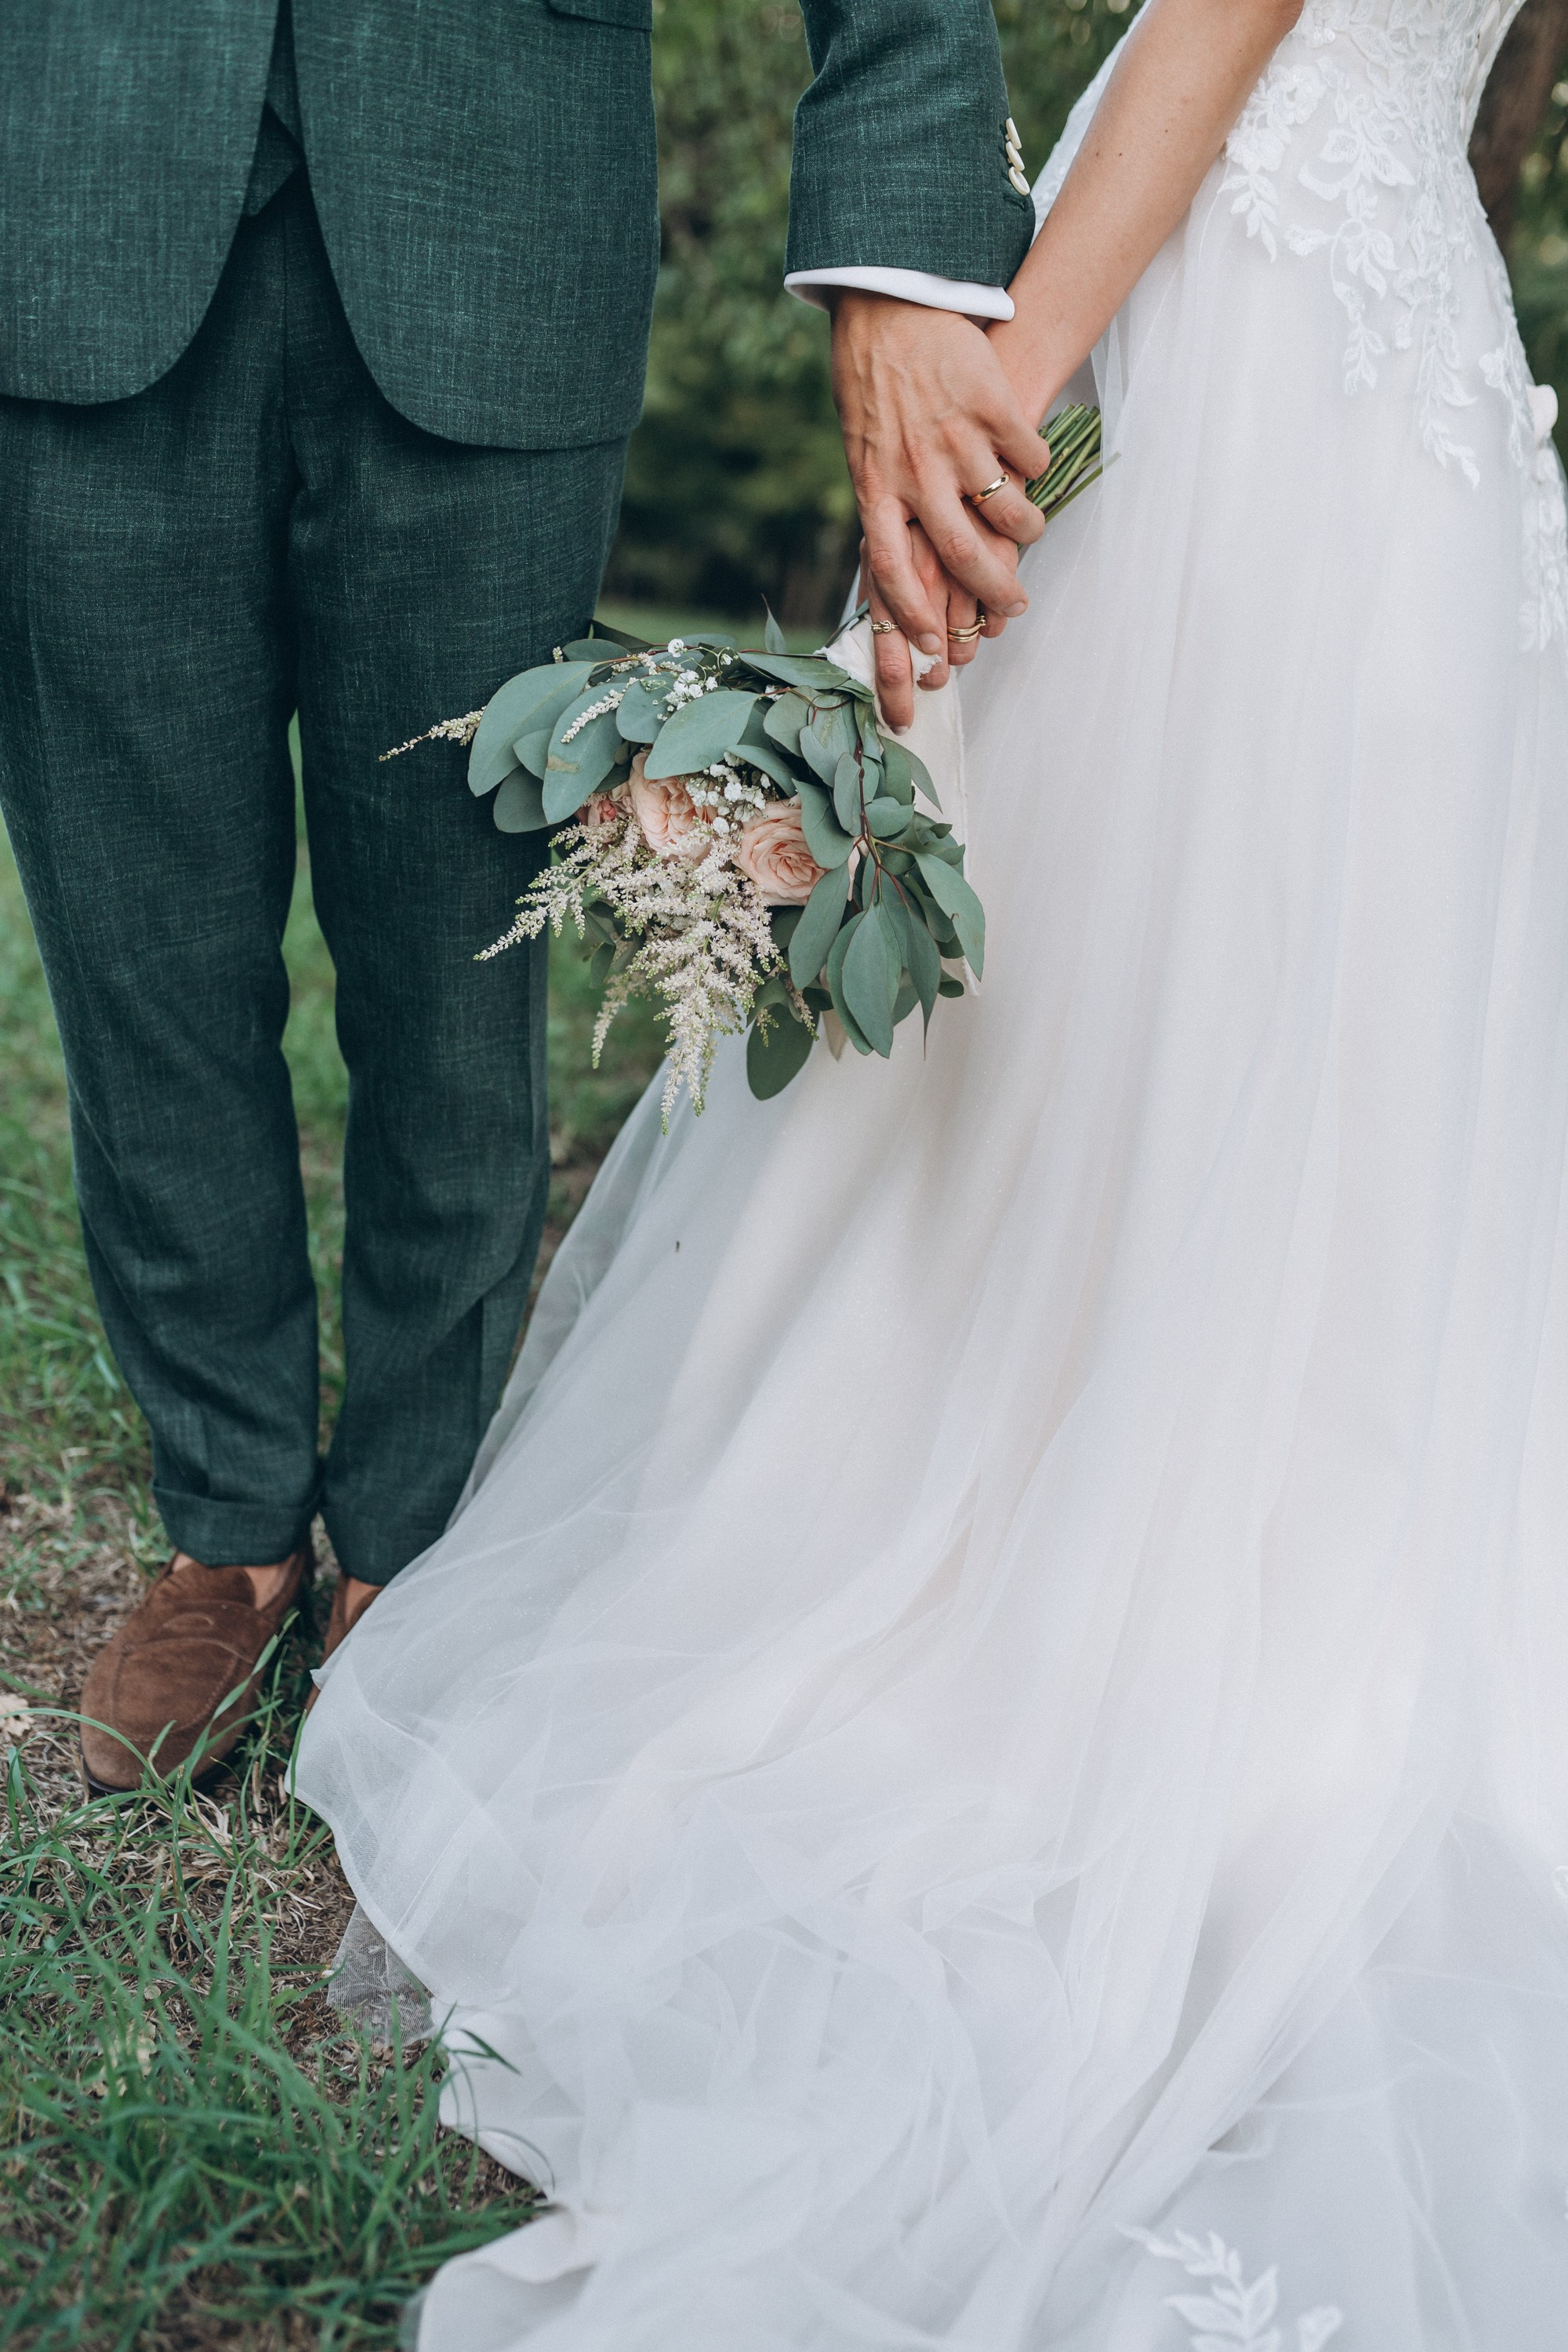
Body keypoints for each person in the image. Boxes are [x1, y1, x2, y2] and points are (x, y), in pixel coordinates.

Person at [299, 0, 1568, 2339]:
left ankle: (1058, 1585)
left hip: (1227, 311)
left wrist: (979, 439)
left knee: (1115, 997)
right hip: (1409, 342)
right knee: (1275, 1024)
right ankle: (1267, 1572)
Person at [0, 0, 1044, 1793]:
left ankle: (409, 1537)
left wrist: (902, 214)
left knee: (458, 963)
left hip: (490, 189)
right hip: (69, 170)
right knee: (135, 940)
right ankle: (227, 1519)